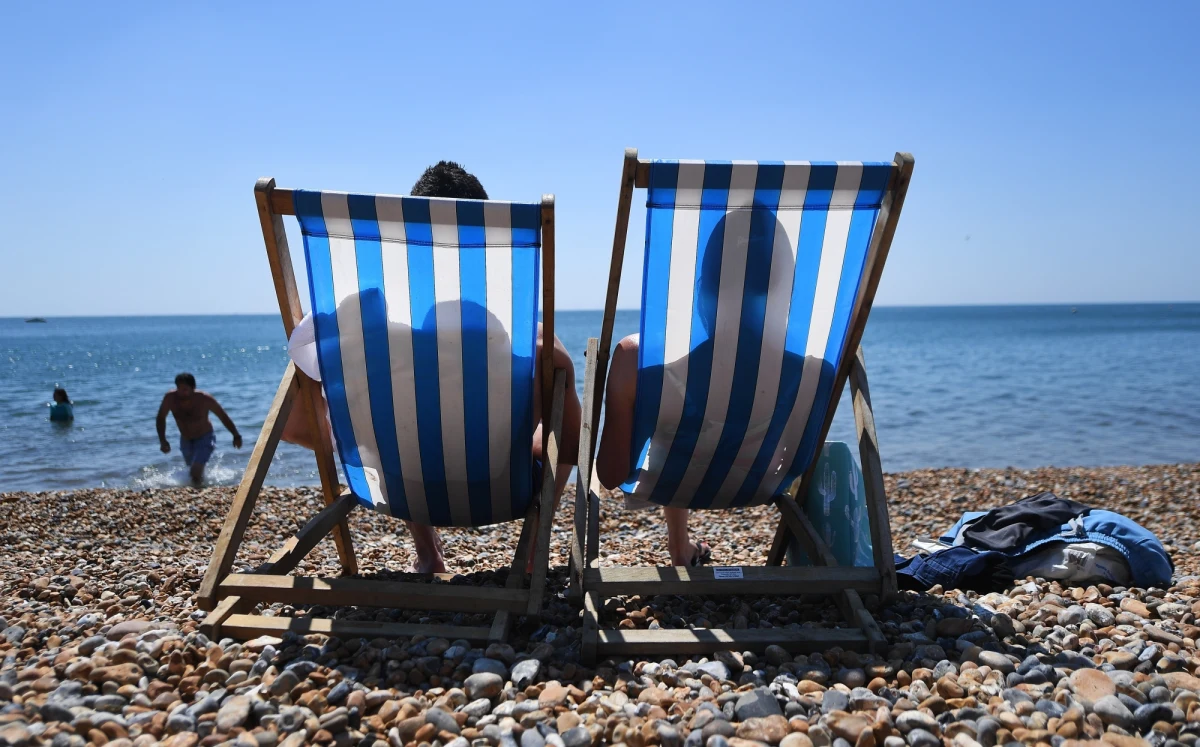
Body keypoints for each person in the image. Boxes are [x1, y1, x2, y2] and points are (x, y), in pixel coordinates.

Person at [282, 161, 581, 573]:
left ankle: (428, 552)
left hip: (404, 489)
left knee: (404, 426)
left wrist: (356, 431)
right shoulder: (536, 343)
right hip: (499, 487)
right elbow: (571, 442)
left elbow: (297, 429)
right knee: (548, 396)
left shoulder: (370, 342)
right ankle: (531, 551)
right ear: (487, 234)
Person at [156, 372, 242, 484]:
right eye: (179, 388)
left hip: (205, 437)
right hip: (185, 440)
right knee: (192, 471)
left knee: (195, 471)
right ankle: (199, 488)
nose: (181, 392)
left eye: (185, 389)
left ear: (193, 388)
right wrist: (163, 440)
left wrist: (236, 435)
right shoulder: (170, 399)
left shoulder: (205, 399)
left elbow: (223, 416)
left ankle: (198, 494)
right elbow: (161, 418)